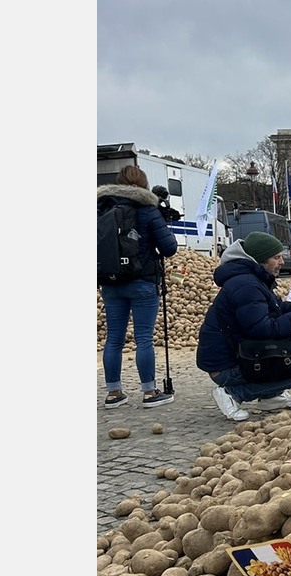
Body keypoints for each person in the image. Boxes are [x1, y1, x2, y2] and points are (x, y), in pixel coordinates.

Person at [196, 231, 291, 421]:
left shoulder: (255, 280)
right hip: (225, 366)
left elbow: (278, 310)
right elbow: (263, 329)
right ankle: (233, 394)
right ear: (260, 261)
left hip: (239, 353)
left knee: (289, 357)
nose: (282, 262)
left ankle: (270, 397)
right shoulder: (246, 285)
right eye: (276, 257)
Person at [98, 165, 179, 409]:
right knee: (144, 338)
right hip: (143, 280)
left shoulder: (101, 207)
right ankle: (150, 392)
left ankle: (114, 393)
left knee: (113, 338)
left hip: (110, 281)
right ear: (143, 184)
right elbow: (169, 248)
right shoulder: (147, 208)